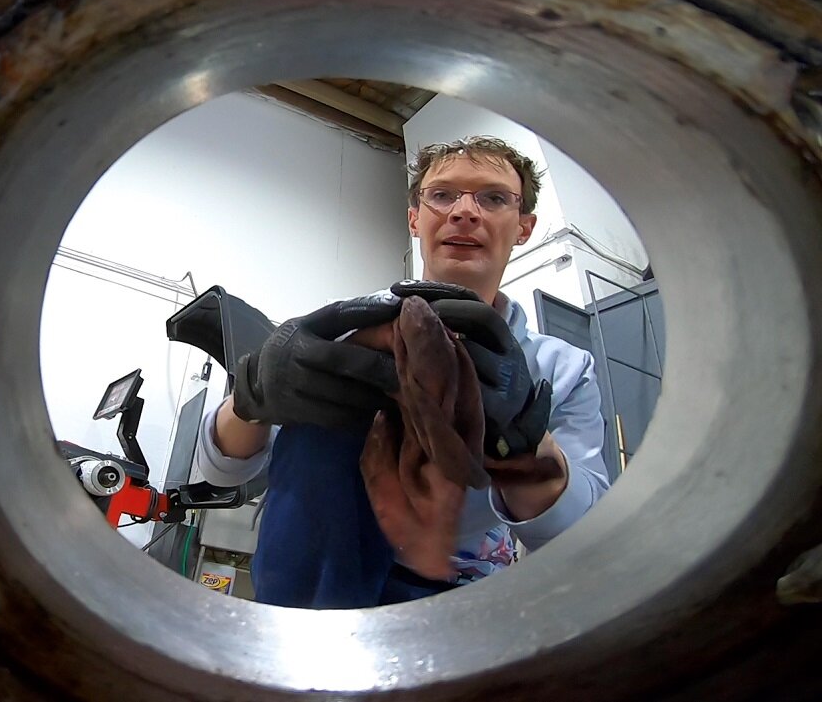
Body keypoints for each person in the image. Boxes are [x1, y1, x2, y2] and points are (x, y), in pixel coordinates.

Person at [195, 136, 610, 608]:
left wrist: (527, 454)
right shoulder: (336, 331)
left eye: (494, 198)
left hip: (456, 606)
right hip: (306, 597)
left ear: (524, 227)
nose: (464, 212)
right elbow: (219, 471)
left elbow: (582, 536)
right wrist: (252, 396)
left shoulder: (562, 369)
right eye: (443, 195)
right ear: (415, 218)